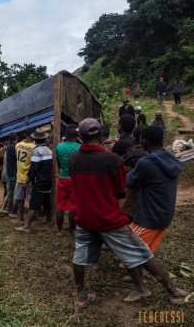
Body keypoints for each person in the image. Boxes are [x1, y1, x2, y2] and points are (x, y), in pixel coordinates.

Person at [68, 118, 192, 307]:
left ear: (80, 136)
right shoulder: (112, 160)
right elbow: (120, 192)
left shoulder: (73, 158)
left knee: (79, 256)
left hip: (84, 217)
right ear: (101, 135)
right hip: (109, 219)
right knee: (140, 251)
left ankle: (80, 296)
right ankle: (173, 291)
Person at [127, 126, 183, 254]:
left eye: (141, 139)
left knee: (129, 250)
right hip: (165, 214)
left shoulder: (146, 163)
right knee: (145, 252)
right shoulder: (170, 157)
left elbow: (130, 181)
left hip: (149, 217)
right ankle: (141, 272)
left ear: (144, 141)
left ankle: (156, 275)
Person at [17, 128, 52, 232]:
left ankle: (26, 226)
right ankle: (49, 220)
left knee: (33, 205)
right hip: (48, 181)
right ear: (45, 139)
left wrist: (27, 182)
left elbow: (33, 169)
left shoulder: (36, 151)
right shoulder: (49, 150)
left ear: (35, 139)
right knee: (47, 202)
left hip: (39, 182)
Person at [54, 124, 80, 235]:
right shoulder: (80, 148)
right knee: (73, 206)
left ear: (66, 135)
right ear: (77, 135)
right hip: (75, 179)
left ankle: (59, 230)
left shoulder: (59, 147)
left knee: (60, 205)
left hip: (63, 178)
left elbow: (58, 163)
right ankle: (71, 229)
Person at [13, 128, 35, 220]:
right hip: (29, 177)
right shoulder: (34, 147)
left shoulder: (17, 145)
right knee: (30, 198)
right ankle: (31, 217)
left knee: (20, 198)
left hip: (19, 175)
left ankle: (20, 216)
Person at [1, 132, 18, 214]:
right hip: (13, 174)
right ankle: (13, 211)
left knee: (9, 192)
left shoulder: (7, 149)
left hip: (8, 173)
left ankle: (3, 208)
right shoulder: (14, 148)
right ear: (16, 138)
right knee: (16, 193)